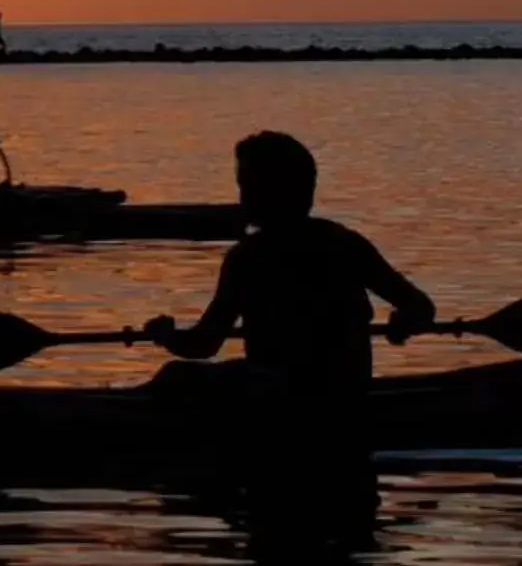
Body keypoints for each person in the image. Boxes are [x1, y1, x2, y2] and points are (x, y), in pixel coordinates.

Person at [145, 131, 435, 402]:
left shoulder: (248, 258)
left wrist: (166, 335)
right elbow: (421, 307)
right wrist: (403, 323)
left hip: (284, 395)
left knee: (176, 376)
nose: (242, 199)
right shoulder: (346, 243)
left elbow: (204, 344)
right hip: (347, 391)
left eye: (248, 187)